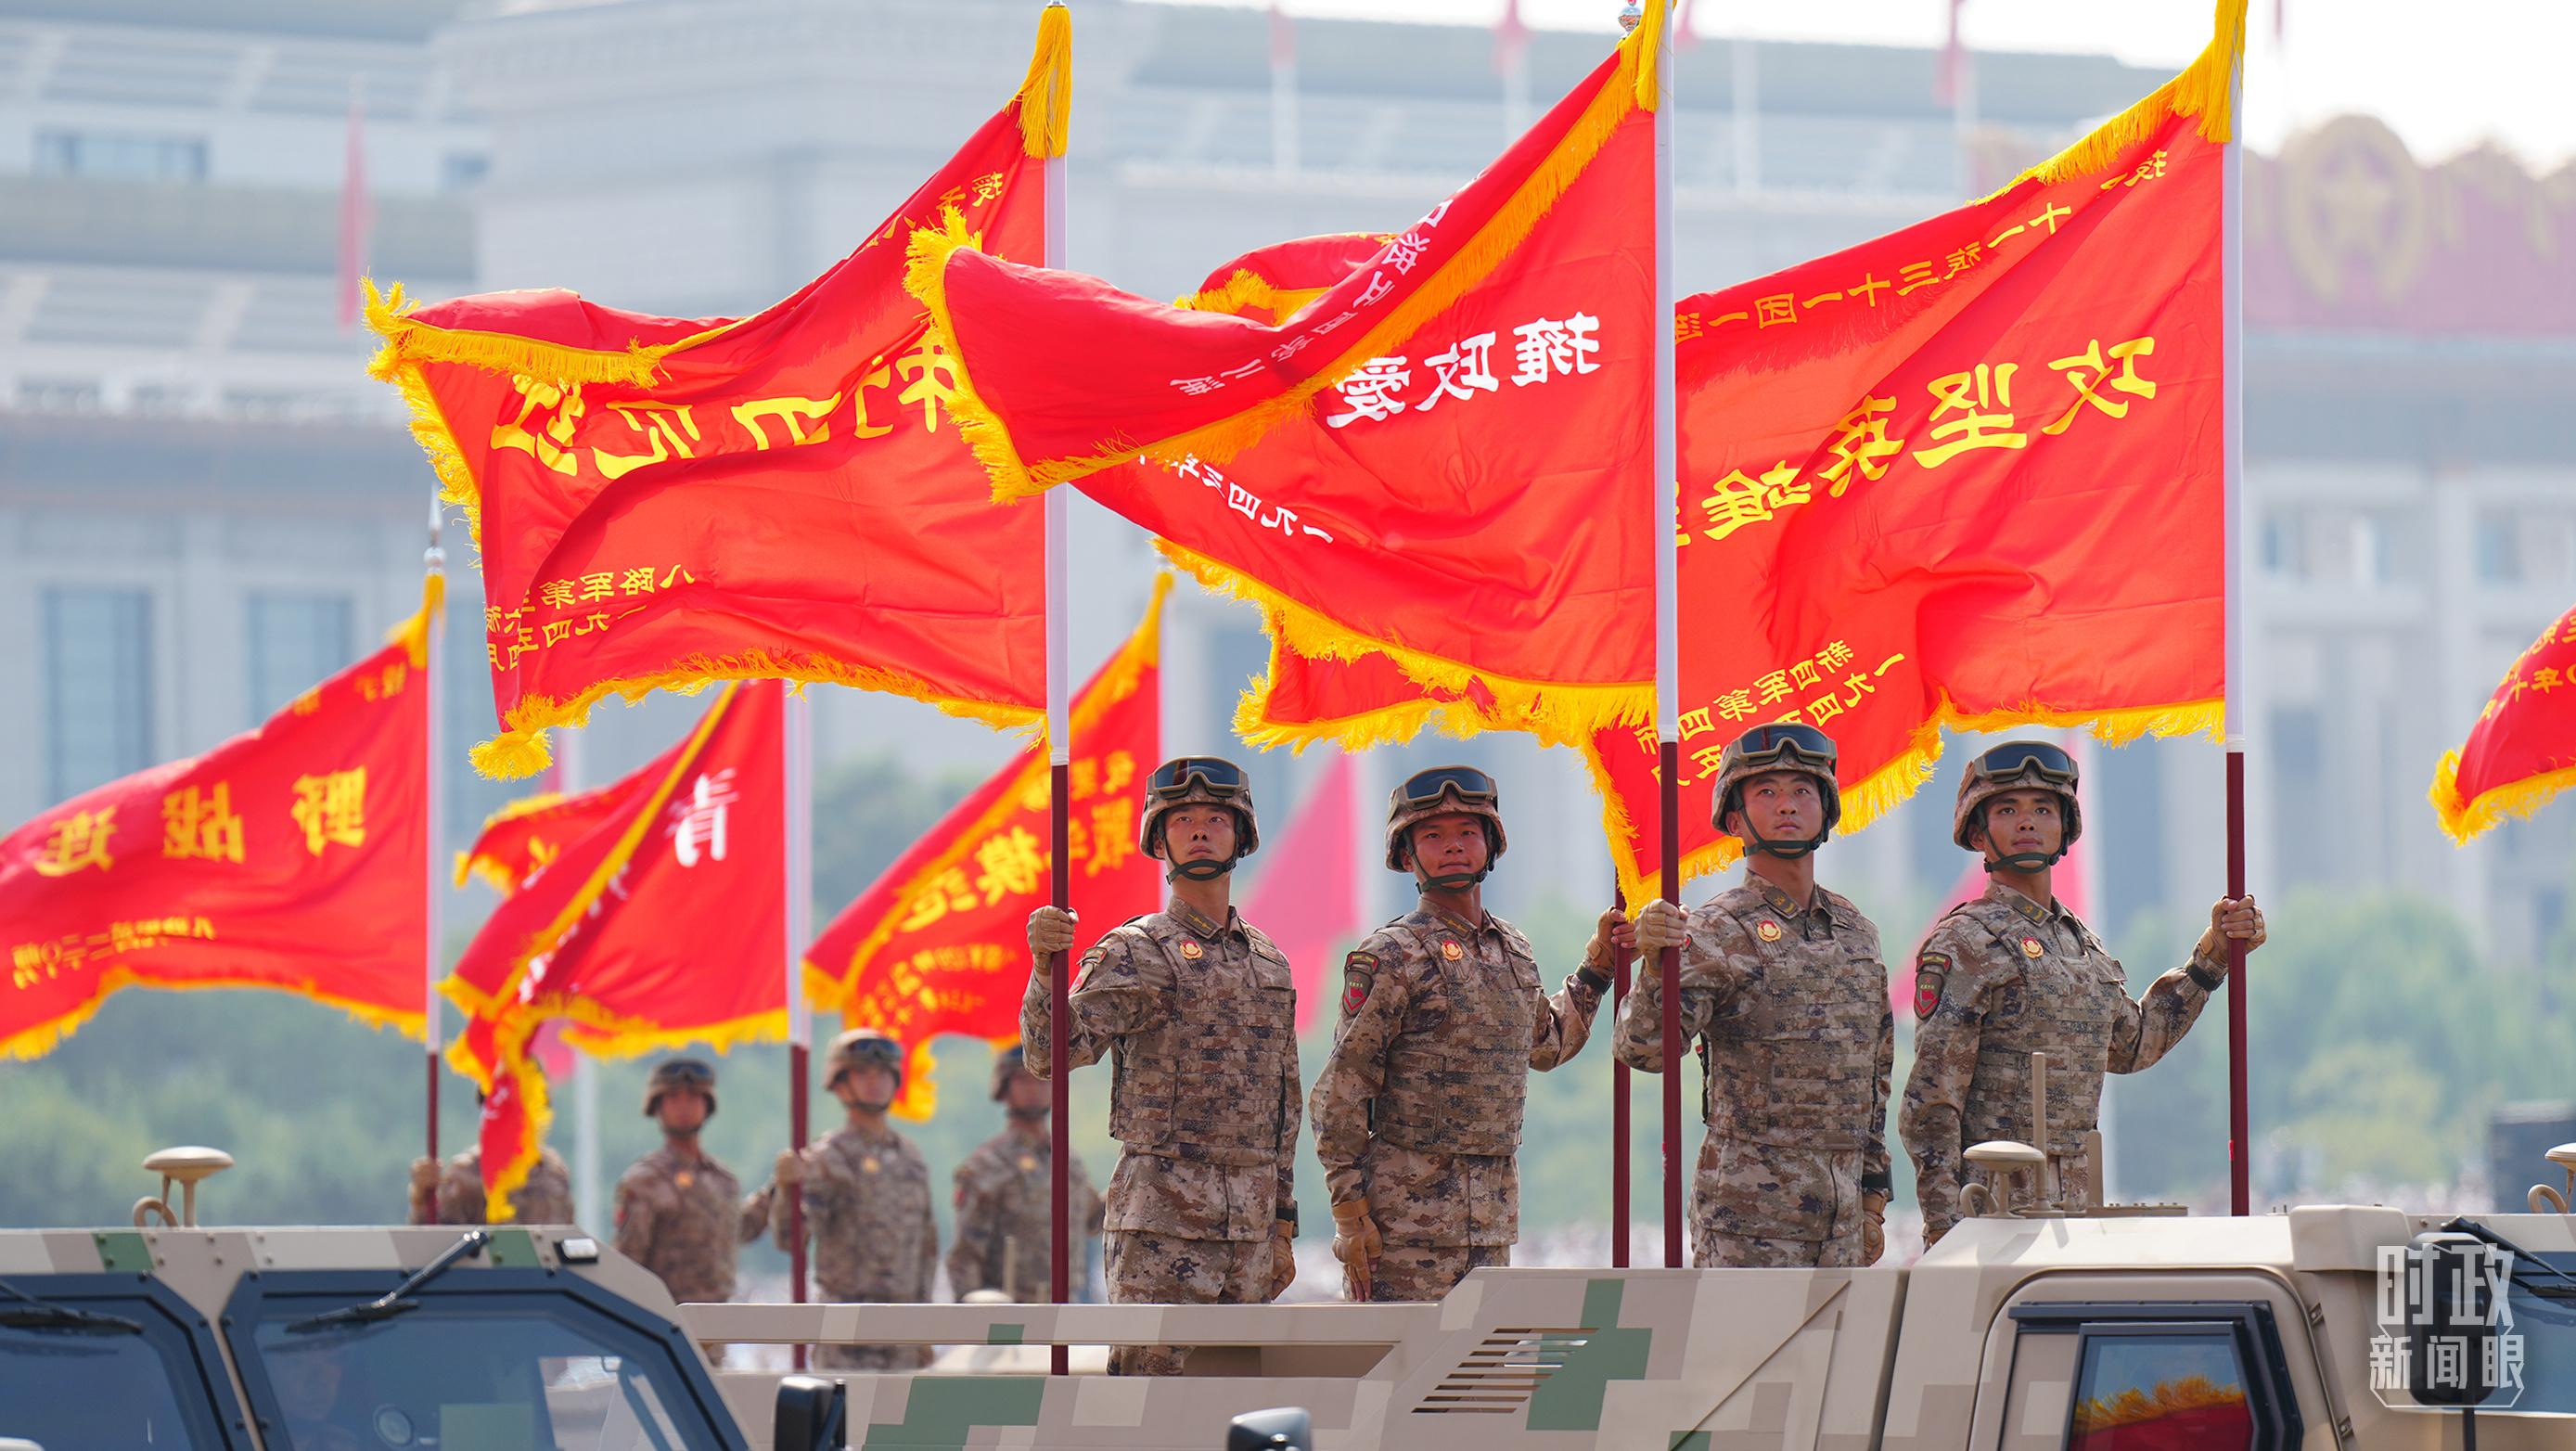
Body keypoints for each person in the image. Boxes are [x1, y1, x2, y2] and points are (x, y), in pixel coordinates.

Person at [1899, 739, 2267, 1245]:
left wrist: (2212, 957)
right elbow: (1932, 1103)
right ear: (1979, 833)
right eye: (2007, 810)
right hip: (1991, 1212)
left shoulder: (2080, 943)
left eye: (2043, 809)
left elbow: (2134, 1044)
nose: (2027, 822)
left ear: (2064, 826)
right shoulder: (1965, 943)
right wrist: (1947, 1229)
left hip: (2074, 1213)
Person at [1023, 756, 1301, 1376]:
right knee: (1146, 1406)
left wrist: (1282, 1224)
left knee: (1235, 1398)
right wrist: (1044, 970)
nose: (1199, 829)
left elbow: (1284, 1107)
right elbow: (1049, 1054)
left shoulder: (1270, 964)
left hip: (1250, 1231)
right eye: (1182, 820)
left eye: (1215, 819)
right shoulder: (1134, 952)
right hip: (1160, 1225)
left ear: (1241, 836)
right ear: (1158, 840)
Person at [1308, 765, 1624, 1301]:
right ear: (1407, 856)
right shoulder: (1391, 956)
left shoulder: (1513, 951)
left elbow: (1547, 1044)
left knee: (1481, 1358)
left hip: (1491, 1224)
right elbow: (1339, 1093)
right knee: (1401, 1357)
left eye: (1467, 832)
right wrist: (1350, 1215)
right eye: (1433, 835)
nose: (1453, 846)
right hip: (1401, 1232)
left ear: (1491, 845)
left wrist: (1599, 967)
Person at [1617, 725, 1893, 1267]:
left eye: (1802, 791)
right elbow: (1643, 1051)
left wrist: (1873, 1198)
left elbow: (1874, 1074)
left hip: (1842, 1223)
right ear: (1735, 820)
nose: (1786, 805)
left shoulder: (1857, 932)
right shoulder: (1714, 930)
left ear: (1826, 812)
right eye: (1766, 792)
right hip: (1749, 1224)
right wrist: (1653, 965)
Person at [773, 1028, 939, 1370]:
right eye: (862, 1073)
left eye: (882, 1074)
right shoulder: (826, 1158)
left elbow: (926, 1246)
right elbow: (791, 1238)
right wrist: (787, 1191)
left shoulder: (911, 1159)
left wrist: (925, 1324)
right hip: (847, 1334)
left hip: (903, 1333)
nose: (874, 1082)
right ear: (840, 1083)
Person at [613, 1058, 772, 1316]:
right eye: (673, 1098)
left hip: (719, 1322)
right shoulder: (645, 1182)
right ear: (657, 1106)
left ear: (707, 1105)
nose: (684, 1106)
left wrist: (777, 1190)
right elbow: (628, 1267)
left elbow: (740, 1230)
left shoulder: (723, 1181)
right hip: (665, 1321)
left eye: (693, 1097)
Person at [947, 1045, 1104, 1301]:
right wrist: (974, 1312)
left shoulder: (1068, 1161)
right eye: (1023, 1080)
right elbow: (965, 1256)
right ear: (1004, 1087)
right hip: (1007, 1308)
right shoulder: (986, 1164)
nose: (1034, 1089)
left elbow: (1093, 1217)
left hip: (1065, 1304)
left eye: (1043, 1079)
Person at [408, 1127, 574, 1226]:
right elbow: (433, 1244)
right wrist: (421, 1199)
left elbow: (563, 1239)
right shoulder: (465, 1173)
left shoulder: (551, 1171)